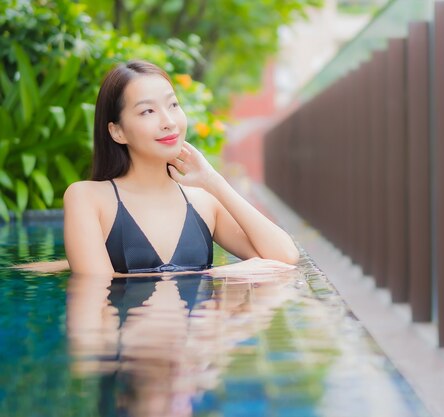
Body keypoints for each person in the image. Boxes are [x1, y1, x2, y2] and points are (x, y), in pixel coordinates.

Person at [59, 60, 299, 275]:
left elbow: (285, 256)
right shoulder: (88, 198)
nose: (169, 122)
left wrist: (213, 181)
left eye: (173, 105)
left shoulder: (204, 203)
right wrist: (217, 274)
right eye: (148, 111)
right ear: (117, 131)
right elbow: (95, 285)